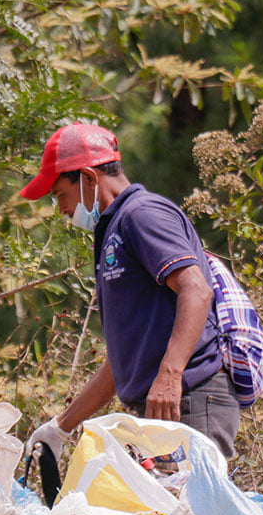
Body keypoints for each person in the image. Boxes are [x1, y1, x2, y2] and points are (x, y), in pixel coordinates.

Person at [21, 122, 241, 460]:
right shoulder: (116, 228)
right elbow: (124, 359)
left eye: (61, 194)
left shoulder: (142, 215)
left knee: (189, 497)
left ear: (88, 178)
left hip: (189, 399)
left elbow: (196, 290)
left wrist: (170, 376)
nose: (62, 209)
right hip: (165, 404)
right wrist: (61, 426)